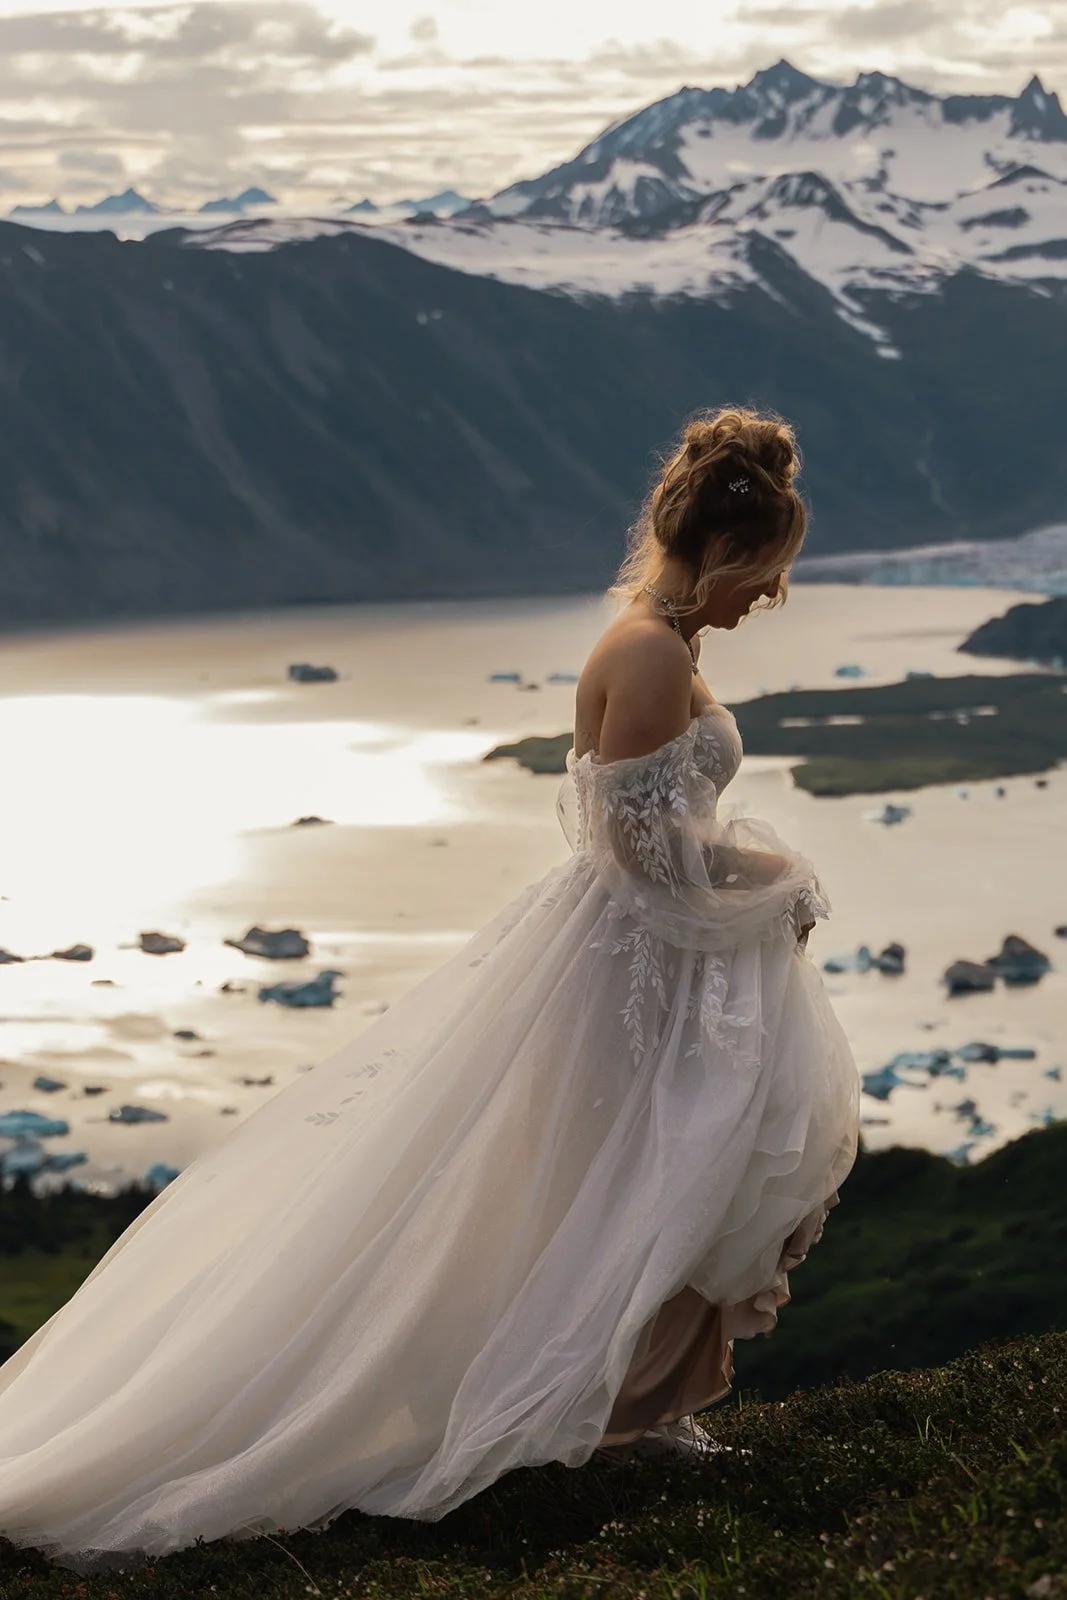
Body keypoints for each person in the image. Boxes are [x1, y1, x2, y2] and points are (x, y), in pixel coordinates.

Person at [0, 404, 860, 1575]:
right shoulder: (652, 654)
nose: (769, 596)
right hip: (622, 969)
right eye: (765, 570)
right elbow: (640, 855)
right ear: (721, 547)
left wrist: (751, 883)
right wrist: (774, 880)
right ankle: (588, 1414)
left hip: (637, 961)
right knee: (628, 1179)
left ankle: (621, 1407)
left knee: (643, 1177)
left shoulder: (659, 641)